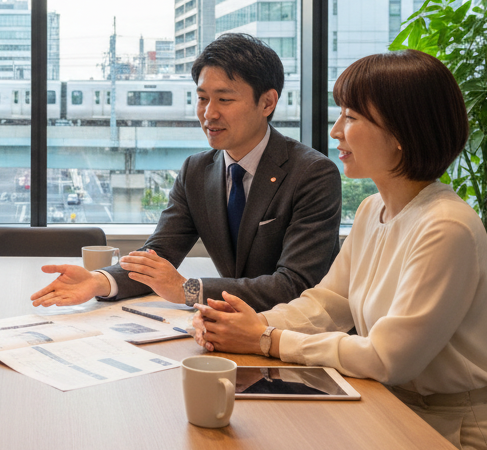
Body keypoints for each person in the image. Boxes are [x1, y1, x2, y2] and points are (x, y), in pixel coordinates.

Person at [192, 49, 487, 450]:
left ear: (401, 134)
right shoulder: (374, 210)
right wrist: (249, 325)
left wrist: (267, 340)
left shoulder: (445, 228)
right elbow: (327, 303)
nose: (336, 131)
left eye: (352, 117)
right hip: (402, 419)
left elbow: (387, 359)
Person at [31, 33, 341, 311]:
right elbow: (159, 255)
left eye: (225, 99)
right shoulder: (197, 170)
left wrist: (187, 290)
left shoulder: (312, 174)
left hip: (299, 336)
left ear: (267, 103)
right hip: (230, 328)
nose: (209, 114)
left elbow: (296, 286)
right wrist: (99, 281)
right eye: (203, 98)